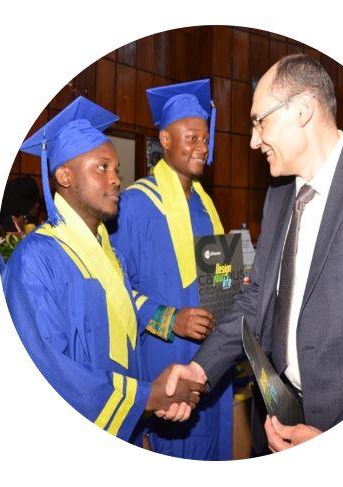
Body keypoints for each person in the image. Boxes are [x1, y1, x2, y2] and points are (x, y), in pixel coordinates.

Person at [168, 54, 343, 453]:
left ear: (304, 111)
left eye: (261, 121)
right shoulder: (278, 196)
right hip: (276, 414)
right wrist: (199, 367)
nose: (254, 140)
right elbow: (254, 297)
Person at [2, 96, 203, 445]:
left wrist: (146, 408)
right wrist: (146, 397)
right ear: (64, 175)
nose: (116, 180)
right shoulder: (36, 260)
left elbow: (126, 326)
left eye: (117, 171)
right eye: (102, 168)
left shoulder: (110, 256)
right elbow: (49, 369)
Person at [110, 79, 234, 460]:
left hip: (212, 361)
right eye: (192, 137)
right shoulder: (133, 205)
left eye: (205, 138)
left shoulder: (206, 206)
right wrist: (169, 318)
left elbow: (219, 280)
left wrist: (234, 285)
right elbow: (114, 289)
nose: (202, 146)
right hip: (165, 359)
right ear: (165, 139)